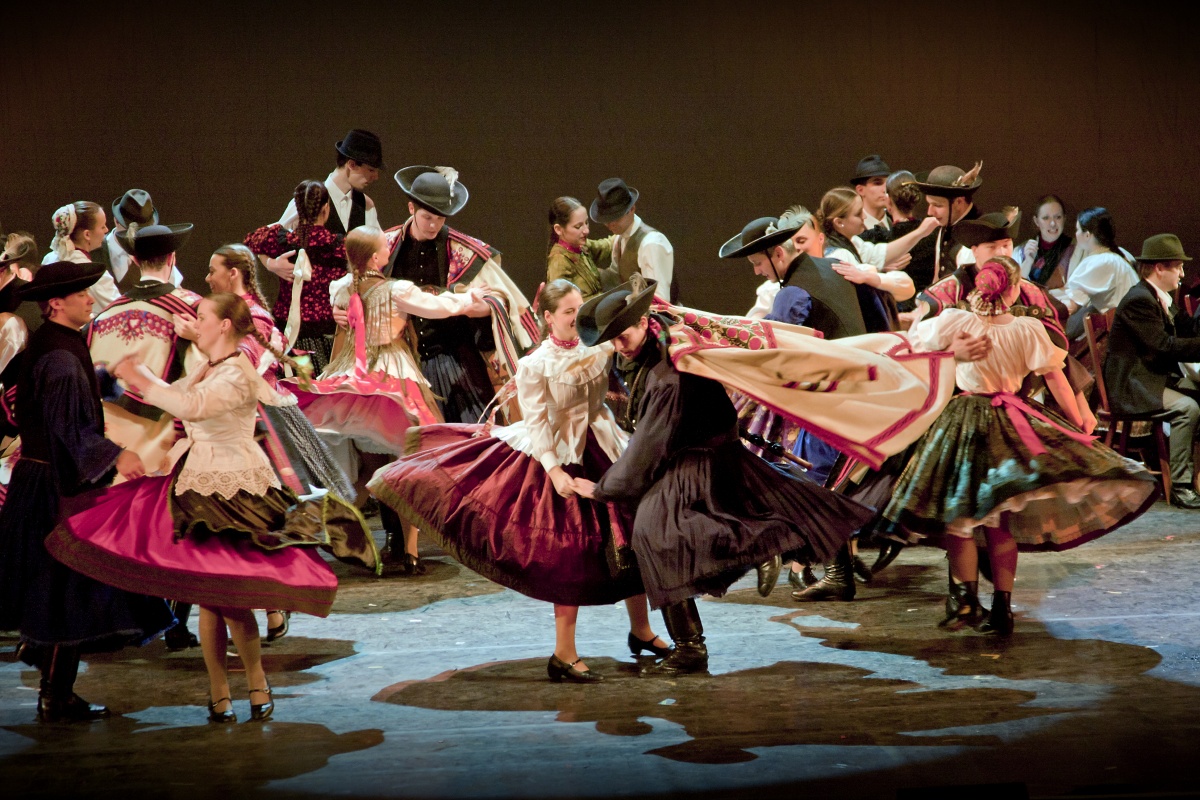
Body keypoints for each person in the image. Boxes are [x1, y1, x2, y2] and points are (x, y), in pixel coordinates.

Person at [46, 293, 378, 723]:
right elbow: (179, 396)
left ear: (224, 325)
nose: (194, 323)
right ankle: (219, 690)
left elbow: (193, 406)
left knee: (231, 598)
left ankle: (256, 680)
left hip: (234, 490)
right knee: (207, 598)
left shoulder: (238, 372)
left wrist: (143, 377)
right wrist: (135, 376)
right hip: (198, 482)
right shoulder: (209, 366)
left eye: (201, 316)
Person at [573, 279, 878, 675]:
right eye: (612, 340)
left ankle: (693, 644)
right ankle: (713, 616)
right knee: (682, 527)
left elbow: (647, 448)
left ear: (644, 321)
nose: (619, 345)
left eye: (623, 335)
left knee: (653, 533)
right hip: (705, 450)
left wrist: (603, 488)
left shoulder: (668, 373)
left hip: (700, 458)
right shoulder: (664, 339)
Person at [368, 279, 665, 682]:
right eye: (568, 312)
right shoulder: (535, 364)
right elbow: (538, 424)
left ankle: (641, 630)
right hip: (560, 455)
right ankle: (564, 653)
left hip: (605, 447)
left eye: (579, 310)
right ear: (548, 317)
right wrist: (555, 471)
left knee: (631, 537)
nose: (576, 318)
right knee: (569, 552)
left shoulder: (598, 347)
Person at [885, 256, 1156, 635]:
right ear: (1013, 291)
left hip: (964, 422)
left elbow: (914, 341)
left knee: (961, 522)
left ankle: (965, 599)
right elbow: (1057, 380)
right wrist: (1079, 422)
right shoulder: (1028, 329)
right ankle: (1002, 607)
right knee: (999, 522)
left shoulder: (955, 322)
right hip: (1009, 423)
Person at [0, 261, 174, 722]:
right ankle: (55, 694)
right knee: (68, 586)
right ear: (57, 303)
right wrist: (116, 455)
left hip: (47, 479)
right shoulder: (58, 356)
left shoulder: (56, 343)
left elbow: (61, 397)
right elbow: (69, 428)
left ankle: (47, 672)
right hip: (56, 487)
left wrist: (108, 382)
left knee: (63, 586)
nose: (90, 299)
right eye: (81, 294)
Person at [295, 225, 491, 571]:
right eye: (383, 246)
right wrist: (470, 298)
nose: (390, 247)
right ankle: (410, 552)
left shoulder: (343, 287)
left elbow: (342, 311)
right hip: (389, 376)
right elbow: (436, 306)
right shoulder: (396, 290)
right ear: (375, 258)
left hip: (354, 381)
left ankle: (331, 531)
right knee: (408, 466)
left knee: (372, 471)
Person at [380, 165, 537, 422]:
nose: (433, 225)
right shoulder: (386, 244)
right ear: (411, 208)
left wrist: (486, 308)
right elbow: (363, 287)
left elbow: (503, 297)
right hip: (403, 361)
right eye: (427, 217)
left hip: (456, 359)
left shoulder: (464, 250)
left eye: (440, 218)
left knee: (474, 430)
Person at [90, 221, 203, 479]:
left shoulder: (104, 314)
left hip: (108, 442)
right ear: (172, 258)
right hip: (161, 437)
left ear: (135, 260)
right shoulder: (193, 309)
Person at [1105, 234, 1200, 509]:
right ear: (1159, 268)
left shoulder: (1162, 297)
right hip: (1132, 384)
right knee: (1187, 408)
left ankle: (1194, 475)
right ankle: (1181, 486)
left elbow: (1189, 331)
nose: (1182, 274)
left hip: (1150, 378)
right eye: (1178, 267)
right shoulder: (1140, 300)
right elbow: (1163, 346)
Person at [247, 179, 346, 372]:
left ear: (297, 209)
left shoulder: (281, 240)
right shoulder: (339, 246)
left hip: (288, 334)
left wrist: (271, 264)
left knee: (293, 387)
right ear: (326, 208)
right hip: (328, 334)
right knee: (325, 387)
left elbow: (250, 240)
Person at [1051, 207, 1138, 339]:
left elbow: (1071, 305)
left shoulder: (1100, 261)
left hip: (1123, 334)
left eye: (1077, 230)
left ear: (1087, 235)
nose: (1076, 234)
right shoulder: (1120, 255)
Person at [277, 128, 383, 235]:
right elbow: (277, 237)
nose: (375, 177)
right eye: (371, 170)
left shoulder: (365, 204)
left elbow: (379, 242)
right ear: (351, 165)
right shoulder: (310, 198)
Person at [860, 171, 938, 309]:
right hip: (928, 306)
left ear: (888, 200)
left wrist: (880, 266)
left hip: (891, 310)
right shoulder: (935, 232)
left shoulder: (876, 239)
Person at [589, 178, 674, 302]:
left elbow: (659, 299)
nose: (610, 224)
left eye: (616, 217)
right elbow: (616, 279)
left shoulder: (651, 244)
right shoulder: (619, 238)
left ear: (632, 209)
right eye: (606, 219)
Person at [93, 189, 184, 292]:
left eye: (143, 231)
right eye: (132, 231)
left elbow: (177, 290)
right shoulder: (95, 252)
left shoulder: (153, 250)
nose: (137, 236)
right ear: (116, 221)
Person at [912, 162, 984, 289]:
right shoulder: (948, 223)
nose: (930, 212)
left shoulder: (977, 237)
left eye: (937, 205)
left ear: (959, 202)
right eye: (929, 204)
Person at [42, 202, 120, 311]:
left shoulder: (48, 259)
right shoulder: (93, 274)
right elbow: (120, 310)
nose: (106, 230)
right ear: (87, 234)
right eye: (102, 226)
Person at [545, 196, 616, 298]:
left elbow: (606, 246)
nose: (586, 230)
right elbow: (562, 302)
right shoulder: (559, 262)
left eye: (586, 223)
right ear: (558, 229)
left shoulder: (581, 246)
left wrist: (626, 226)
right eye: (578, 227)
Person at [1018, 194, 1075, 289]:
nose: (1052, 223)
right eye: (1046, 218)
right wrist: (1028, 262)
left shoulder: (1075, 250)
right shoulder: (1022, 251)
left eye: (1058, 217)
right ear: (1036, 221)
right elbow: (1016, 286)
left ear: (1064, 219)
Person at [850, 154, 892, 231]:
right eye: (878, 183)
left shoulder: (897, 224)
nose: (885, 189)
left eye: (889, 182)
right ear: (860, 190)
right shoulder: (851, 228)